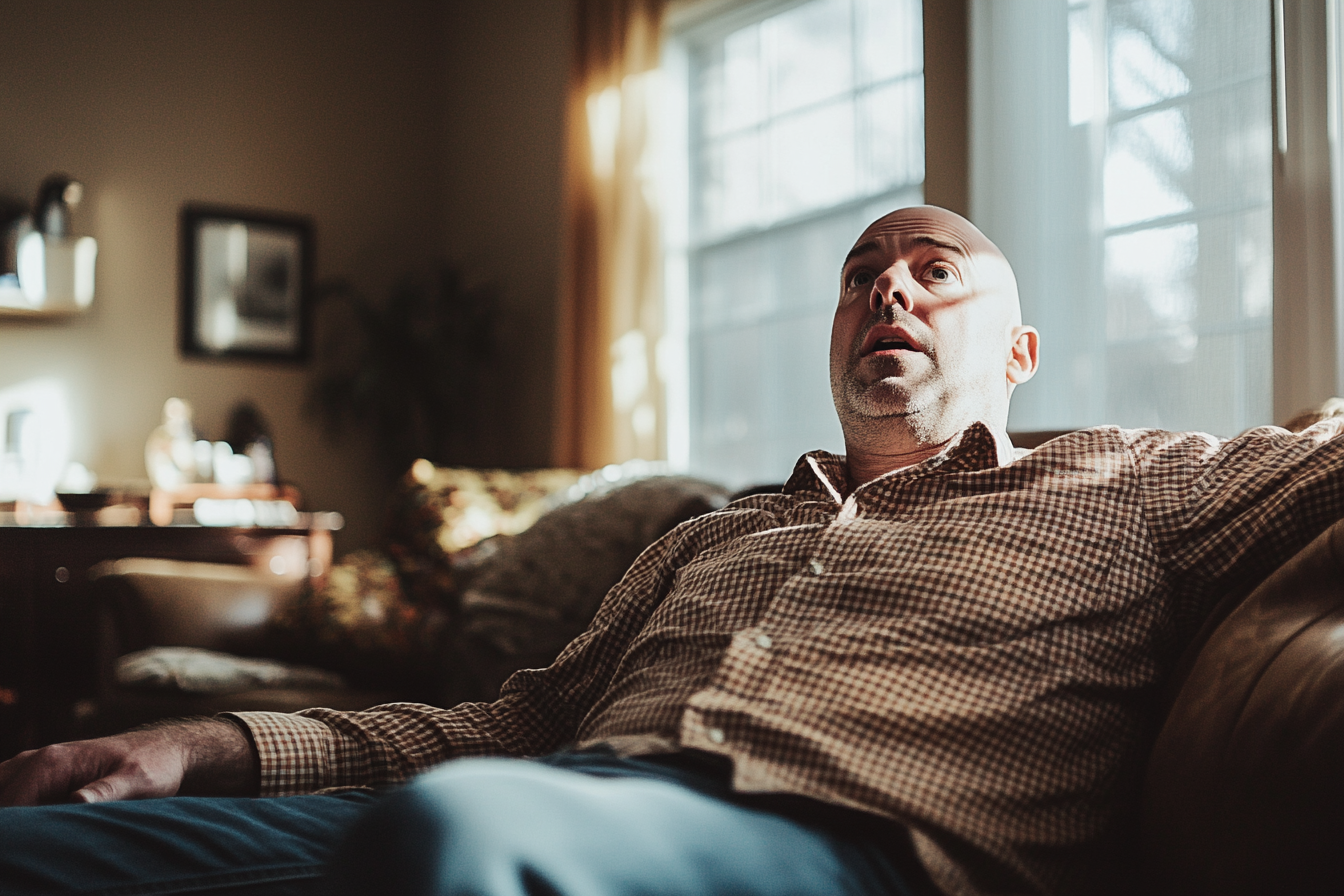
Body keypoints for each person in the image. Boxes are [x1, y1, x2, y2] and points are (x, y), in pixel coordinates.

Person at [2, 206, 1342, 896]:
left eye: (935, 270)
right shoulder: (715, 534)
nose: (889, 286)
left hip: (841, 849)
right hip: (528, 803)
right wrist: (205, 747)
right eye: (865, 271)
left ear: (1022, 350)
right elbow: (514, 719)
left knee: (465, 838)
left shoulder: (1138, 479)